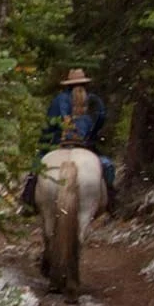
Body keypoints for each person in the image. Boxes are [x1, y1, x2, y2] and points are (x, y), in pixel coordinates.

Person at [21, 67, 115, 211]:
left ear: (67, 84)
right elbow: (101, 118)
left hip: (58, 144)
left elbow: (49, 125)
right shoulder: (93, 100)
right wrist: (91, 135)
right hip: (85, 146)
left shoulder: (59, 100)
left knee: (37, 167)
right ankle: (111, 200)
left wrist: (44, 144)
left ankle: (27, 202)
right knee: (107, 166)